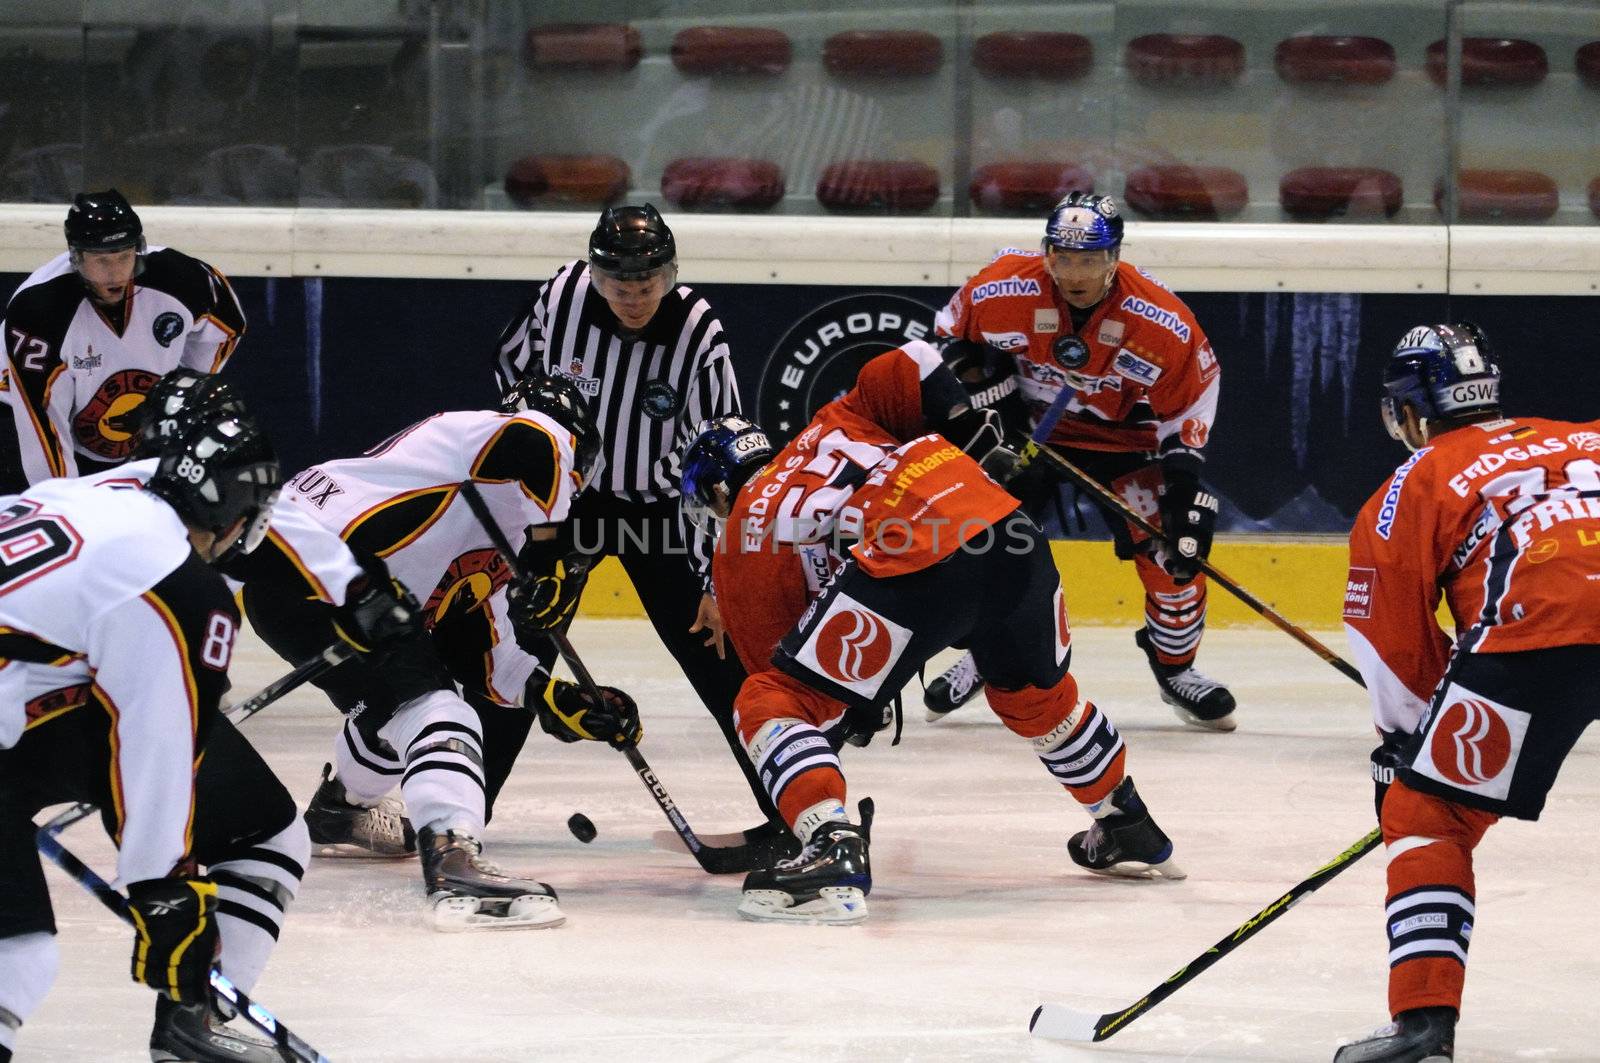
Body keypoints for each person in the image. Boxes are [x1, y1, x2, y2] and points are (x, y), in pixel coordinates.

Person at [683, 341, 1184, 925]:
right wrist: (966, 421)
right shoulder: (831, 425)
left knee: (768, 700)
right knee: (1035, 697)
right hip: (1008, 528)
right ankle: (1126, 821)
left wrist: (828, 757)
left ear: (718, 492)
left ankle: (830, 852)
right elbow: (913, 361)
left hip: (918, 560)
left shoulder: (742, 534)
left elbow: (792, 688)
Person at [238, 371, 642, 931]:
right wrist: (550, 560)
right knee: (439, 708)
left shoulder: (503, 529)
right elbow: (538, 439)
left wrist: (561, 699)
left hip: (332, 593)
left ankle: (340, 809)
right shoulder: (474, 439)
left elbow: (490, 655)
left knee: (396, 704)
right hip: (314, 564)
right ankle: (453, 855)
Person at [0, 412, 304, 1063]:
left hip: (25, 716)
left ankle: (193, 1026)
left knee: (261, 824)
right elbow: (159, 745)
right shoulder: (178, 586)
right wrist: (163, 888)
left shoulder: (84, 494)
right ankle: (192, 1018)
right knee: (13, 958)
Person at [1336, 323, 1600, 1062]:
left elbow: (1391, 634)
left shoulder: (1409, 484)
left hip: (1533, 637)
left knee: (1430, 816)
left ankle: (1424, 1028)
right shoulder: (1586, 436)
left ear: (1413, 408)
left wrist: (1404, 748)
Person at [493, 202, 789, 856]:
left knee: (726, 669)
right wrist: (531, 469)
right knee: (515, 650)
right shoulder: (561, 296)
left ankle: (796, 819)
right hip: (573, 508)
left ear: (670, 274)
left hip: (664, 515)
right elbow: (510, 372)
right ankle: (459, 810)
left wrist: (718, 580)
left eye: (646, 285)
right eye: (619, 285)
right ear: (596, 276)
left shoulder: (697, 330)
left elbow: (722, 454)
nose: (633, 297)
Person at [924, 192, 1234, 731]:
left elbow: (1190, 402)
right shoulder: (1004, 285)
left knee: (1173, 553)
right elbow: (949, 335)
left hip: (1129, 443)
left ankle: (1176, 668)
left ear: (1115, 257)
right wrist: (992, 389)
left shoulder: (1161, 320)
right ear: (1046, 252)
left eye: (1089, 260)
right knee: (989, 540)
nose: (1074, 272)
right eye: (1062, 258)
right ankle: (987, 653)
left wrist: (1183, 490)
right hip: (1035, 434)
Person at [0, 189, 246, 490]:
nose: (116, 272)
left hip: (120, 432)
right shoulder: (40, 312)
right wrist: (66, 505)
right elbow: (43, 422)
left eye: (124, 256)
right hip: (16, 411)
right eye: (101, 260)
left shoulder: (182, 279)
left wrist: (182, 389)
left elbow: (228, 326)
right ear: (76, 257)